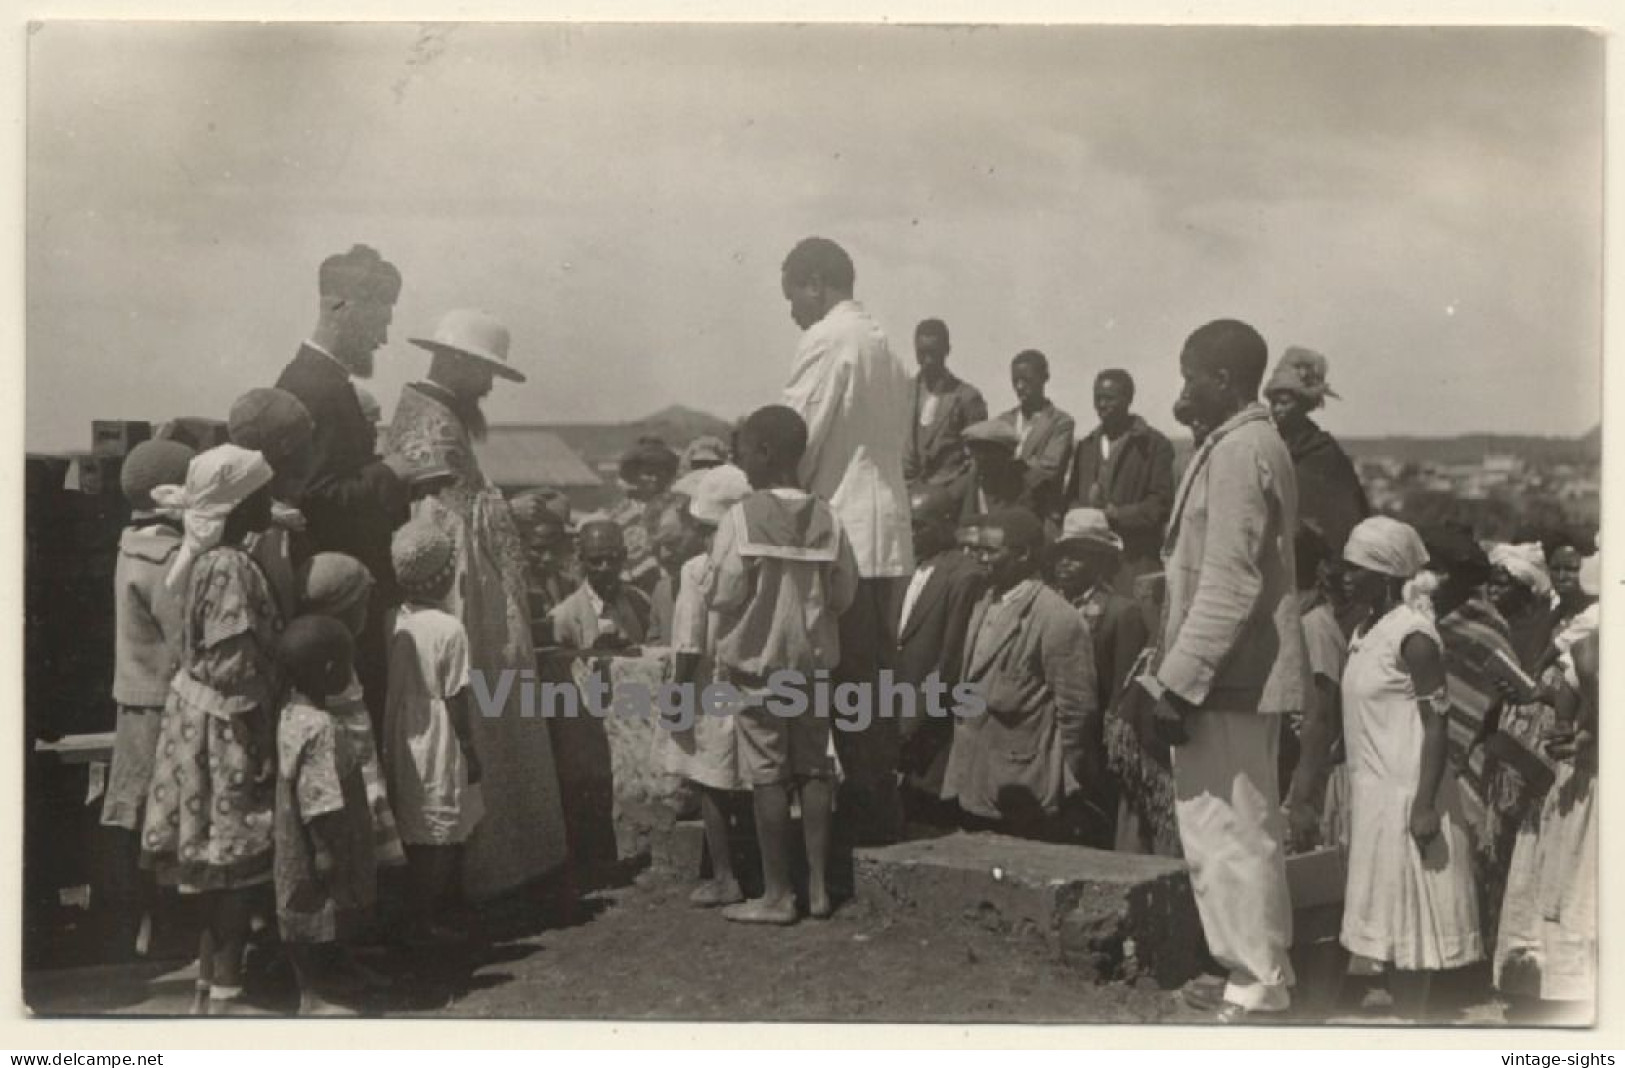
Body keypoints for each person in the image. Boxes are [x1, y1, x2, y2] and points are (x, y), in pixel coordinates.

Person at [1151, 319, 1305, 1021]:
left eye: (1190, 377)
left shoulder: (1241, 451)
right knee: (1226, 828)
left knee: (1234, 830)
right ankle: (1246, 968)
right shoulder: (1238, 443)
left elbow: (1229, 584)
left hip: (1229, 675)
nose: (1181, 390)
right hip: (1230, 671)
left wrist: (1176, 680)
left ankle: (1258, 982)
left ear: (1220, 379)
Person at [385, 308, 567, 901]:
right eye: (484, 372)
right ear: (458, 364)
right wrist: (513, 512)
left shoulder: (434, 414)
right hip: (457, 593)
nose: (489, 386)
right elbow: (452, 519)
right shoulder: (433, 421)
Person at [778, 236, 913, 845]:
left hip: (847, 532)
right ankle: (879, 801)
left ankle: (866, 820)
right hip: (887, 529)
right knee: (875, 677)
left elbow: (795, 438)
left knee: (848, 678)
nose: (792, 313)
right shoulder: (886, 345)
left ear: (815, 282)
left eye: (793, 298)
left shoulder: (829, 338)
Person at [141, 445, 283, 1015]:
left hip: (197, 717)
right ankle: (227, 993)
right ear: (239, 505)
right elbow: (233, 663)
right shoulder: (228, 565)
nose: (272, 502)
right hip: (225, 724)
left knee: (212, 865)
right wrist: (260, 735)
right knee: (230, 863)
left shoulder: (207, 557)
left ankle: (208, 987)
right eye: (263, 495)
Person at [703, 405, 859, 925]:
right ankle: (817, 888)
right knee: (815, 769)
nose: (738, 457)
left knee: (767, 775)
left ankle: (777, 895)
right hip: (812, 671)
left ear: (765, 452)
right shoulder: (829, 516)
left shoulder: (741, 518)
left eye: (744, 448)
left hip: (758, 670)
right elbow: (843, 594)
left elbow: (723, 595)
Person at [1336, 516, 1482, 1018]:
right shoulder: (1363, 632)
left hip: (1408, 793)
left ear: (1385, 574)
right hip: (1374, 795)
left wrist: (1423, 805)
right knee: (1390, 922)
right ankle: (1403, 1019)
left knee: (1413, 923)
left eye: (1357, 569)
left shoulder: (1414, 636)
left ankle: (1414, 1026)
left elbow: (1437, 725)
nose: (1345, 577)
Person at [275, 245, 410, 732]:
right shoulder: (316, 386)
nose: (384, 337)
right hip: (338, 603)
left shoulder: (322, 379)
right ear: (342, 306)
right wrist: (393, 472)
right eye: (381, 318)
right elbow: (316, 498)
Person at [944, 507, 1099, 842]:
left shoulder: (1057, 618)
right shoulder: (983, 601)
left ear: (1024, 554)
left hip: (1025, 786)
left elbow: (1077, 712)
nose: (980, 559)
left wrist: (1057, 780)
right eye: (976, 550)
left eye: (990, 551)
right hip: (973, 778)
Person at [102, 437, 195, 958]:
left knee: (140, 815)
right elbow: (185, 639)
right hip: (164, 704)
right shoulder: (168, 558)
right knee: (165, 817)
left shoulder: (131, 546)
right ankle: (161, 927)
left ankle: (143, 926)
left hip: (135, 699)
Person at [650, 464, 753, 907]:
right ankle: (752, 867)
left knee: (709, 781)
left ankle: (725, 873)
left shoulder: (698, 569)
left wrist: (678, 691)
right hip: (748, 683)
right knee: (748, 779)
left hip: (709, 684)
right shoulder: (756, 562)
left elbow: (689, 639)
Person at [383, 519, 484, 947]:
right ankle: (426, 918)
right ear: (445, 577)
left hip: (401, 729)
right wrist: (468, 746)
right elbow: (458, 695)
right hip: (438, 729)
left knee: (414, 817)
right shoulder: (450, 629)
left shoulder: (393, 619)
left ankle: (418, 914)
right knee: (442, 824)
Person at [272, 616, 375, 1016]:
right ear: (331, 670)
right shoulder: (320, 728)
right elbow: (319, 793)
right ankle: (312, 995)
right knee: (313, 908)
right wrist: (325, 847)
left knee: (321, 908)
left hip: (297, 829)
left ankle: (338, 972)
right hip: (321, 831)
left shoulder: (291, 713)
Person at [1495, 623, 1597, 1021]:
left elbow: (1589, 658)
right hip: (1582, 786)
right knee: (1571, 905)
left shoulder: (1593, 643)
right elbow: (1582, 674)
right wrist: (1552, 702)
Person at [296, 553, 406, 875]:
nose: (368, 611)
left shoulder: (335, 660)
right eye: (363, 604)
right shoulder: (330, 672)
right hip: (352, 782)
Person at [889, 484, 989, 808]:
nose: (912, 534)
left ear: (947, 523)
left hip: (930, 725)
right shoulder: (902, 566)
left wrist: (910, 723)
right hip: (893, 712)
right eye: (907, 525)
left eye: (920, 525)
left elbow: (949, 662)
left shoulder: (964, 576)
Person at [1064, 370, 1175, 595]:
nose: (1102, 405)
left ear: (1128, 399)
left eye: (1110, 398)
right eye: (1097, 398)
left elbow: (1160, 505)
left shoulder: (1154, 445)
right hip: (1091, 563)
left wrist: (1113, 514)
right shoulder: (1086, 446)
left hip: (1134, 561)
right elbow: (1072, 497)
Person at [1282, 523, 1354, 855]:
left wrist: (1300, 799)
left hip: (1311, 781)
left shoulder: (1315, 627)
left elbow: (1321, 719)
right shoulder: (1299, 619)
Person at [1265, 346, 1370, 556]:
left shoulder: (1324, 453)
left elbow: (1345, 519)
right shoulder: (1269, 445)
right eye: (1273, 403)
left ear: (1303, 404)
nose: (1276, 409)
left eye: (1284, 403)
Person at [227, 388, 318, 621]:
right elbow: (282, 610)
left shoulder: (233, 507)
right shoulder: (269, 529)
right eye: (308, 441)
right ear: (287, 448)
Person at [902, 318, 987, 493]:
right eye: (922, 353)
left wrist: (953, 492)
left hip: (947, 499)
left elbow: (979, 460)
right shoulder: (902, 393)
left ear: (947, 350)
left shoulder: (967, 397)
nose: (928, 360)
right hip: (905, 493)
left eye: (934, 353)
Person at [549, 521, 658, 649]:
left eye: (612, 558)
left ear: (623, 555)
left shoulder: (639, 601)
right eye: (596, 561)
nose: (605, 568)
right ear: (581, 559)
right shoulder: (563, 618)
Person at [996, 349, 1075, 524]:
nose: (1019, 386)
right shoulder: (1003, 421)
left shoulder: (1060, 422)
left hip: (1040, 515)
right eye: (1015, 380)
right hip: (1001, 511)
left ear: (1044, 378)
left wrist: (1009, 470)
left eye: (1026, 380)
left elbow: (1047, 471)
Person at [609, 438, 682, 596]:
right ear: (634, 475)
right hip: (632, 586)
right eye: (648, 474)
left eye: (659, 473)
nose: (654, 479)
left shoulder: (676, 506)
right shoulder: (621, 514)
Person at [507, 487, 581, 631]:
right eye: (538, 549)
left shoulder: (569, 585)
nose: (548, 558)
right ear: (518, 543)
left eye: (555, 548)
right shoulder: (508, 591)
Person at [1488, 542, 1560, 673]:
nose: (1492, 590)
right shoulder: (1488, 617)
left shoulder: (1542, 630)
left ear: (1524, 591)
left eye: (1501, 585)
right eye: (1491, 583)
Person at [958, 418, 1033, 521]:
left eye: (989, 451)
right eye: (977, 451)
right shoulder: (969, 481)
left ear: (1007, 454)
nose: (982, 457)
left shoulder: (1024, 485)